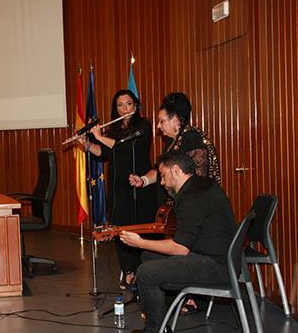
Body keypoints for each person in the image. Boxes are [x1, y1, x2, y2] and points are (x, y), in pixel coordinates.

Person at [120, 151, 236, 333]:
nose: (162, 182)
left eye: (164, 176)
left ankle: (154, 329)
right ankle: (163, 317)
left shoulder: (191, 197)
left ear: (176, 170)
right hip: (221, 257)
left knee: (145, 273)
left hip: (217, 266)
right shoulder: (202, 184)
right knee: (148, 256)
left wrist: (139, 242)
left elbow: (180, 248)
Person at [129, 92, 221, 313]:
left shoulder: (192, 139)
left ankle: (190, 297)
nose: (159, 126)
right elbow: (160, 169)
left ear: (176, 120)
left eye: (162, 121)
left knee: (184, 246)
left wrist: (140, 241)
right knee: (158, 253)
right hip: (184, 210)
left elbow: (195, 178)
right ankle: (180, 295)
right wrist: (143, 180)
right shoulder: (174, 142)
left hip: (197, 213)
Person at [80, 89, 157, 289]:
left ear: (136, 106)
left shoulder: (143, 126)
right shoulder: (114, 131)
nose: (124, 108)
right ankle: (129, 271)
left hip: (139, 185)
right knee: (120, 229)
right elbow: (104, 152)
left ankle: (144, 270)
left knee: (140, 228)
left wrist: (98, 135)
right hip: (118, 187)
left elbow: (124, 146)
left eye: (128, 104)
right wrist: (87, 144)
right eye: (120, 105)